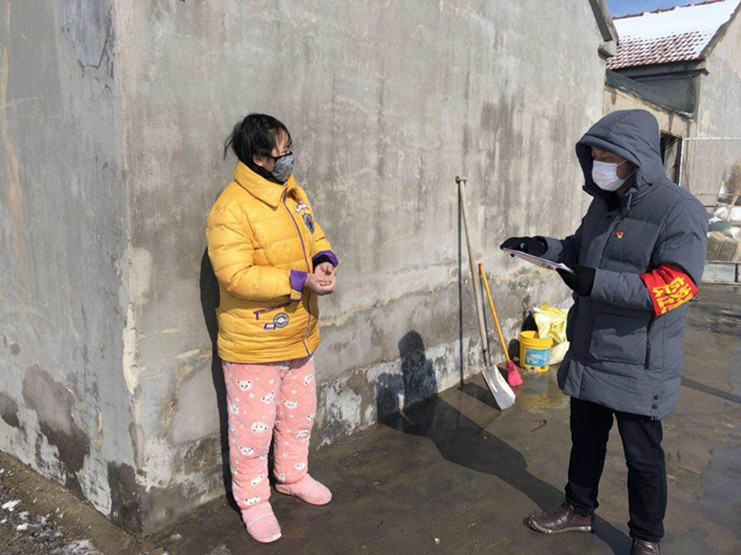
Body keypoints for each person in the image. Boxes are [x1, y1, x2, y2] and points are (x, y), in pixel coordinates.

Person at [501, 110, 708, 555]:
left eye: (608, 157)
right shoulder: (603, 202)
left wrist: (596, 283)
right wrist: (543, 248)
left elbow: (677, 285)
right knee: (585, 440)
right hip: (590, 347)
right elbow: (579, 249)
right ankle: (578, 509)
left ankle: (646, 537)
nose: (600, 164)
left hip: (639, 359)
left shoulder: (680, 210)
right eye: (594, 155)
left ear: (637, 157)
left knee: (642, 457)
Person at [207, 114, 338, 544]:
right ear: (258, 157)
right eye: (281, 152)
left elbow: (314, 232)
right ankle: (252, 500)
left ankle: (292, 476)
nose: (288, 158)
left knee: (299, 415)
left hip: (298, 333)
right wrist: (298, 280)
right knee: (253, 430)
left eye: (289, 149)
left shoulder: (291, 191)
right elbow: (235, 275)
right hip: (254, 345)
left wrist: (323, 260)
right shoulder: (230, 209)